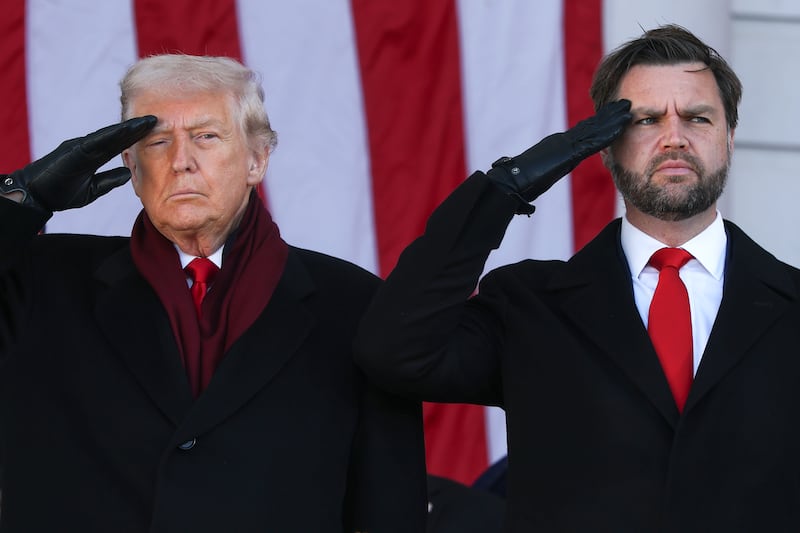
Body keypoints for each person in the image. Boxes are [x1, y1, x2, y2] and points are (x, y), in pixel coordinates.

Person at [355, 24, 800, 531]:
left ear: (729, 138)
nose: (674, 137)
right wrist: (507, 188)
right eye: (647, 119)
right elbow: (394, 349)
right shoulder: (529, 306)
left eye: (697, 118)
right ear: (604, 146)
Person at [0, 54, 426, 532]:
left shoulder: (354, 303)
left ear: (257, 159)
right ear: (131, 167)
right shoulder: (39, 279)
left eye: (206, 136)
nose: (181, 161)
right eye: (156, 141)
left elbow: (390, 504)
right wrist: (18, 201)